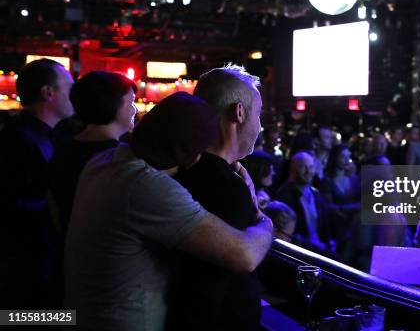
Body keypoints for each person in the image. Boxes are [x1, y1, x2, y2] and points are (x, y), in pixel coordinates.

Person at [64, 92, 273, 331]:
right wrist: (263, 220)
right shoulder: (146, 186)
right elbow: (244, 255)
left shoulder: (103, 161)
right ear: (193, 158)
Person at [169, 65, 265, 331]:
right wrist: (260, 216)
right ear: (240, 112)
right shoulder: (228, 188)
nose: (260, 125)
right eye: (259, 114)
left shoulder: (180, 172)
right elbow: (211, 291)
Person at [0, 58, 74, 309]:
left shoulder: (55, 135)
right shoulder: (14, 141)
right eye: (69, 88)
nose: (74, 95)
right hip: (26, 268)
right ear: (48, 92)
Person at [49, 71, 137, 235]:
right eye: (131, 102)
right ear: (111, 105)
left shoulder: (61, 151)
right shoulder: (119, 158)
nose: (135, 109)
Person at [276, 151, 333, 253]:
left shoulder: (315, 194)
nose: (308, 171)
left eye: (311, 167)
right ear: (293, 169)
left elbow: (324, 228)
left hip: (320, 251)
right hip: (300, 253)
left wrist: (327, 245)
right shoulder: (284, 196)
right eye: (304, 167)